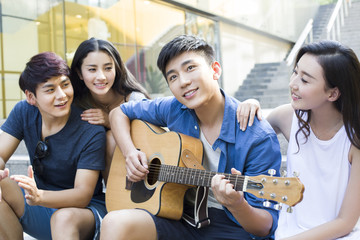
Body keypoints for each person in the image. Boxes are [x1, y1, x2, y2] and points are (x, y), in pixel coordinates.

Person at [101, 35, 282, 240]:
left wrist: (237, 204)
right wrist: (130, 153)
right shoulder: (174, 108)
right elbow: (119, 113)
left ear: (215, 70)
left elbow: (265, 226)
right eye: (173, 77)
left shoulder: (257, 137)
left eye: (190, 68)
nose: (183, 82)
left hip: (231, 225)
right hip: (177, 214)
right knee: (114, 223)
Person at [237, 40, 360, 239]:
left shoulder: (354, 139)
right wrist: (252, 103)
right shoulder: (286, 117)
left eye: (305, 80)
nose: (292, 84)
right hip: (288, 230)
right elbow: (251, 140)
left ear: (333, 93)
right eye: (295, 72)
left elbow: (345, 222)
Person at [0, 52, 107, 240]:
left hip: (82, 213)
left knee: (63, 218)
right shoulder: (24, 112)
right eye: (50, 90)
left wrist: (40, 196)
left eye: (65, 84)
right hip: (41, 205)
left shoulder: (91, 130)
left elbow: (82, 194)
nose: (62, 95)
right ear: (31, 97)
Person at [70, 37, 149, 183]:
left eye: (108, 68)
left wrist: (109, 121)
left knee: (112, 138)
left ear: (117, 68)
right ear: (80, 73)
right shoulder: (76, 104)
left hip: (141, 176)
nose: (101, 76)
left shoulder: (135, 100)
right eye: (92, 69)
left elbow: (152, 139)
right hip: (93, 182)